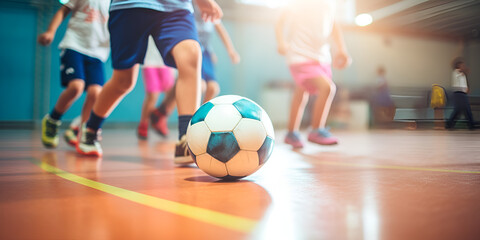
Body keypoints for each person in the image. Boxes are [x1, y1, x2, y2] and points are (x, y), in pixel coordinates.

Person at [76, 0, 223, 164]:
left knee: (191, 54)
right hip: (131, 5)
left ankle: (186, 140)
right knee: (123, 82)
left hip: (176, 7)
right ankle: (90, 128)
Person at [150, 2, 240, 129]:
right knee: (199, 86)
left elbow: (222, 31)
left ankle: (200, 121)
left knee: (213, 88)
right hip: (192, 48)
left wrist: (231, 51)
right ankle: (185, 119)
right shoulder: (189, 7)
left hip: (206, 52)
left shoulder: (210, 9)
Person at [276, 0, 351, 148]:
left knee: (301, 91)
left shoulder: (330, 4)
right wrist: (281, 42)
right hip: (300, 53)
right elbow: (281, 20)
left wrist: (342, 49)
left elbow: (333, 24)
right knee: (327, 88)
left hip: (321, 56)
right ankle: (316, 130)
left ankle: (291, 133)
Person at [38, 0, 110, 149]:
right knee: (76, 87)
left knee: (96, 92)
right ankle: (52, 120)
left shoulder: (115, 3)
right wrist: (51, 31)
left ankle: (85, 134)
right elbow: (63, 10)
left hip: (98, 53)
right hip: (74, 46)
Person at [137, 36, 175, 140]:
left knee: (172, 93)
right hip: (149, 60)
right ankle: (143, 124)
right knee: (152, 95)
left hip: (165, 60)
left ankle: (160, 118)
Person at [446, 57, 475, 130]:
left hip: (463, 93)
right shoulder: (455, 72)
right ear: (458, 66)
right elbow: (460, 74)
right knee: (459, 110)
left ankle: (471, 125)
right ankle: (450, 124)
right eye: (462, 65)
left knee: (465, 110)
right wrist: (463, 70)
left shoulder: (463, 74)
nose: (463, 66)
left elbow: (463, 82)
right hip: (458, 93)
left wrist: (466, 88)